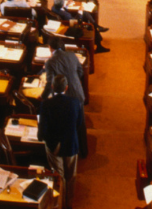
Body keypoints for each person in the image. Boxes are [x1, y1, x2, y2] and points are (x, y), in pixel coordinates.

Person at [38, 74, 83, 209]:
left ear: (52, 87)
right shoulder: (76, 103)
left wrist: (41, 138)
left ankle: (60, 204)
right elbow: (79, 124)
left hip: (54, 145)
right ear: (66, 88)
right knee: (71, 176)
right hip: (71, 143)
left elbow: (43, 129)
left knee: (59, 177)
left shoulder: (46, 104)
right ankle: (68, 204)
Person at [43, 38, 87, 105]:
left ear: (50, 47)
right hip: (77, 92)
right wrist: (73, 80)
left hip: (64, 98)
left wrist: (43, 97)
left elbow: (50, 83)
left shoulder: (49, 62)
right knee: (79, 114)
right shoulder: (72, 54)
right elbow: (80, 71)